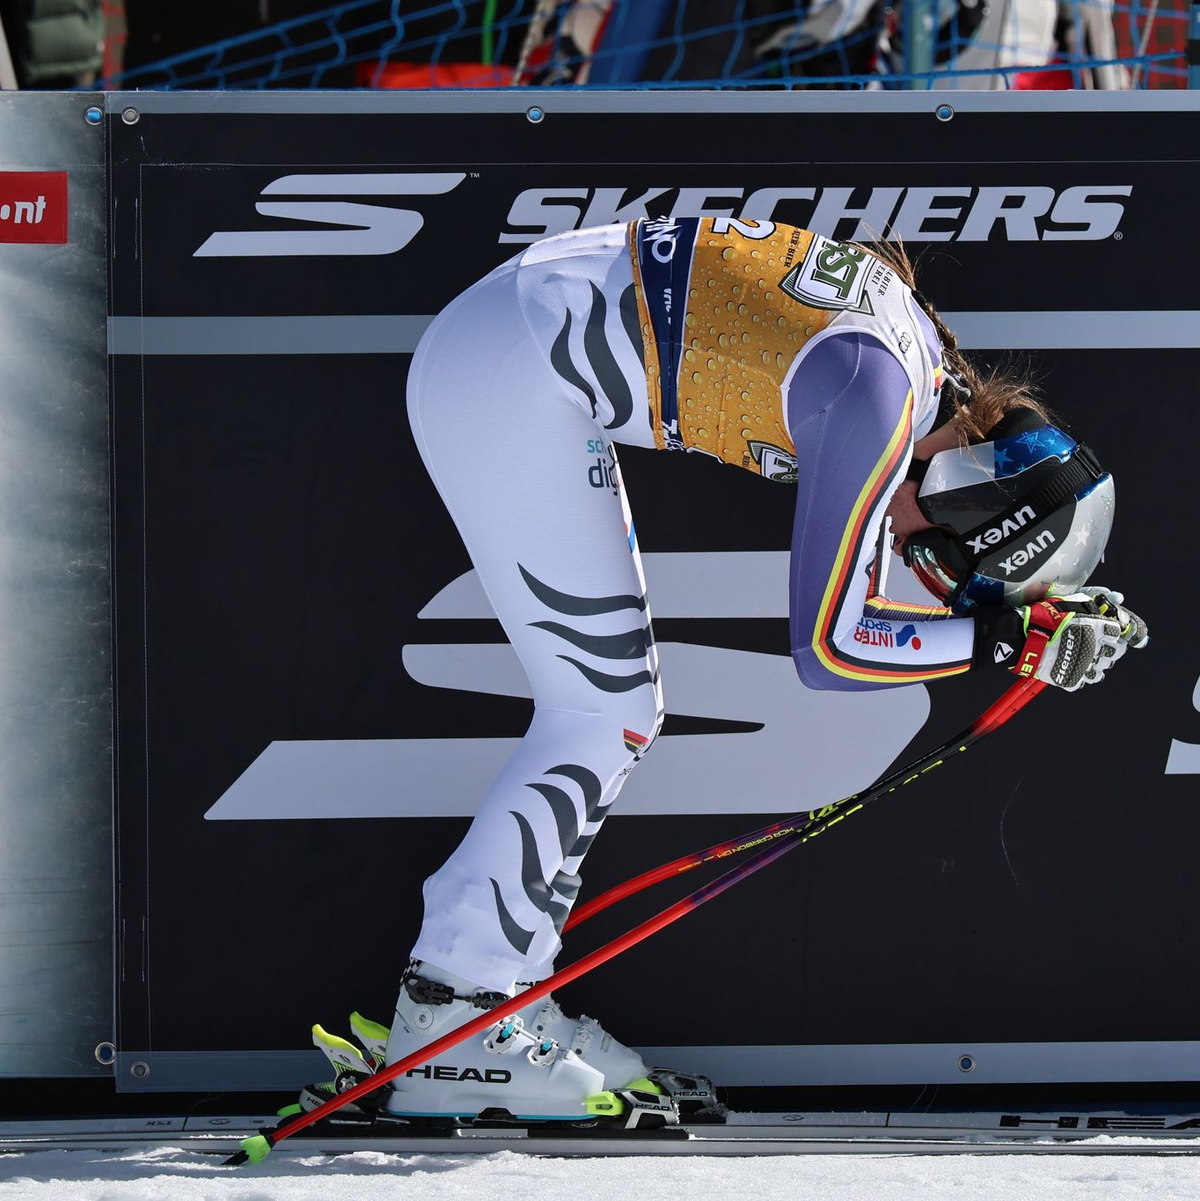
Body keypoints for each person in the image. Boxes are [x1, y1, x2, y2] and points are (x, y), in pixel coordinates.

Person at [301, 217, 1147, 1126]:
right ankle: (461, 1018)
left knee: (609, 705)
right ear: (967, 494)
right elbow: (829, 648)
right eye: (942, 560)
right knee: (602, 710)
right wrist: (1004, 641)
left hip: (516, 351)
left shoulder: (912, 370)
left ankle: (487, 996)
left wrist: (1024, 621)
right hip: (510, 372)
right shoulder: (877, 396)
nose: (918, 562)